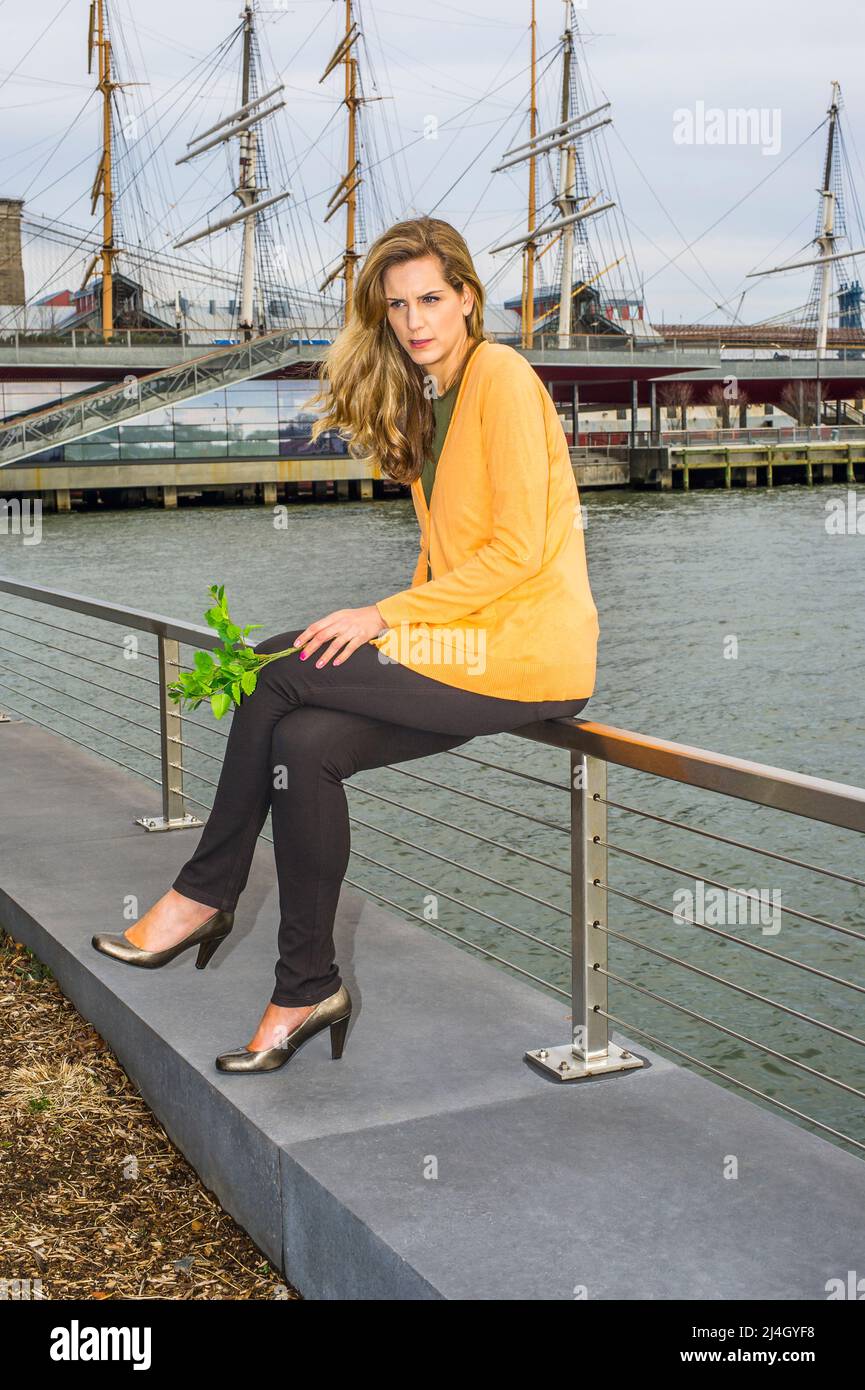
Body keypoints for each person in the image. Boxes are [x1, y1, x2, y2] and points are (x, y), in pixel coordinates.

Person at [91, 215, 601, 1074]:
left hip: (524, 654)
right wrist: (402, 615)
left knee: (273, 669)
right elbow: (449, 550)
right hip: (463, 650)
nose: (414, 319)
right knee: (303, 744)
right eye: (397, 304)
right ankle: (305, 988)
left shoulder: (501, 376)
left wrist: (384, 616)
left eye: (432, 298)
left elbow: (516, 553)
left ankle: (202, 894)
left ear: (469, 299)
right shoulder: (434, 398)